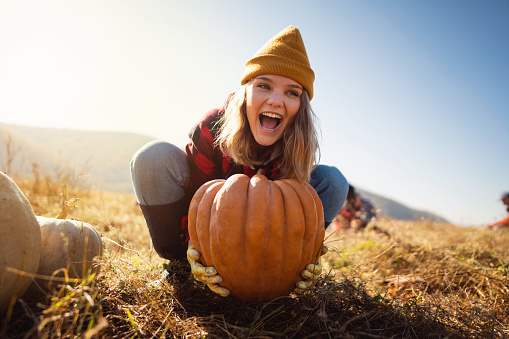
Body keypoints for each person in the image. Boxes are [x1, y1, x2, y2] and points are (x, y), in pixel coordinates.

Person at [130, 26, 349, 297]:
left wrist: (306, 249)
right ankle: (181, 265)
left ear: (300, 106)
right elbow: (199, 201)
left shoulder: (298, 143)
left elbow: (294, 211)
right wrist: (194, 249)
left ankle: (290, 272)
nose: (276, 100)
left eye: (292, 92)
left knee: (333, 181)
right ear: (246, 92)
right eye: (264, 86)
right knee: (153, 157)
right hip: (204, 234)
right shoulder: (213, 125)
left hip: (265, 249)